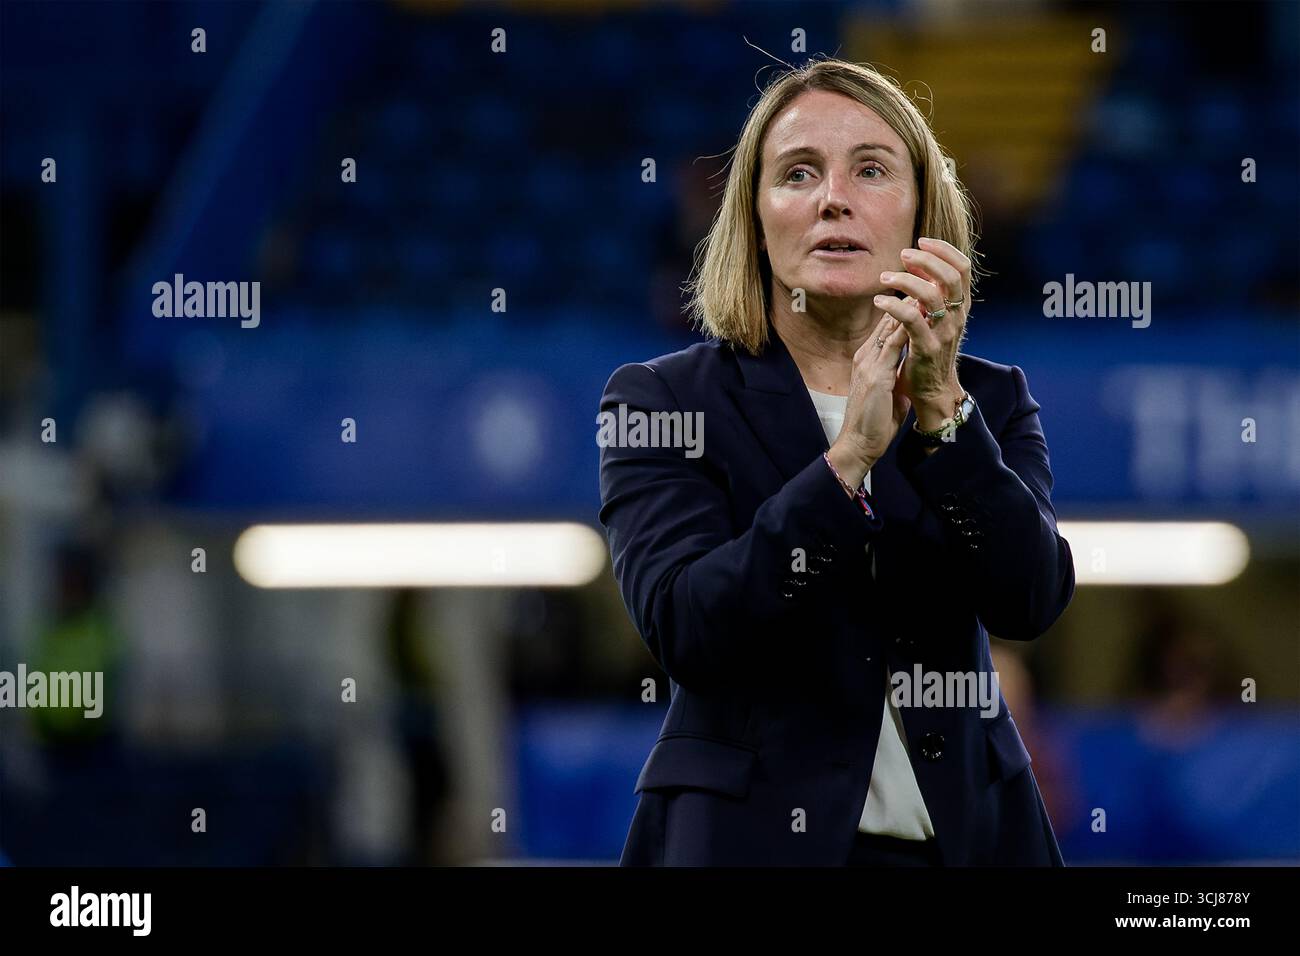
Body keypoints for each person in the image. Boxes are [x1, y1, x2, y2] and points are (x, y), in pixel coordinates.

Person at [597, 58, 1074, 866]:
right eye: (798, 173)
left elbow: (1030, 599)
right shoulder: (661, 402)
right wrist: (845, 461)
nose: (833, 198)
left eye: (872, 169)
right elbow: (687, 626)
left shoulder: (986, 401)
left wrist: (942, 419)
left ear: (924, 213)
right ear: (753, 216)